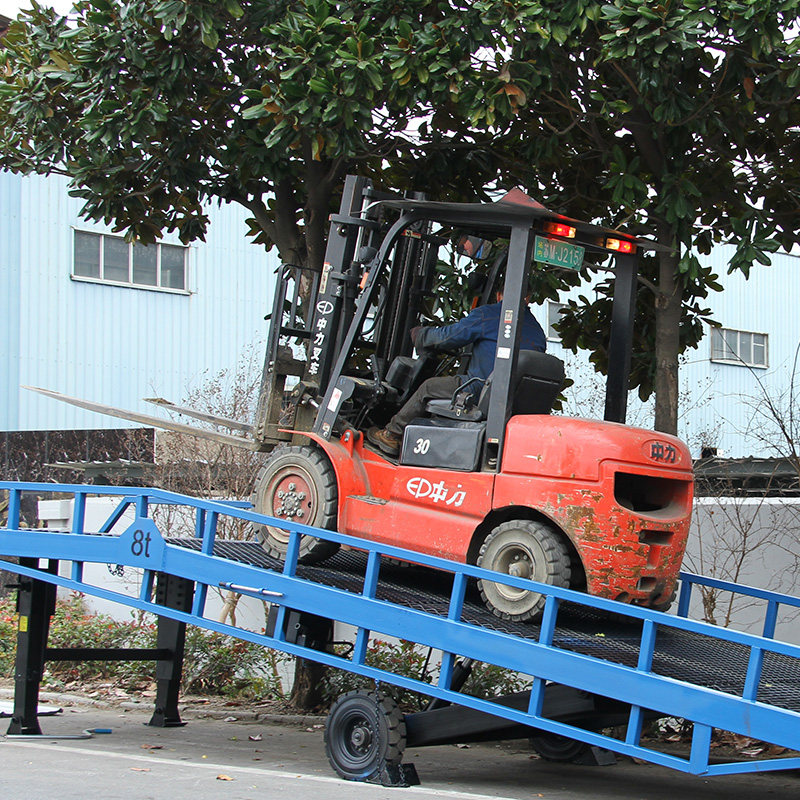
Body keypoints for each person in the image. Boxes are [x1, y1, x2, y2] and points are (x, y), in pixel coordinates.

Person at [367, 293, 547, 456]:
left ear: (499, 295)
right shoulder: (538, 331)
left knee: (429, 387)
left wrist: (421, 335)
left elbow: (448, 337)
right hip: (511, 401)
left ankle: (392, 434)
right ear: (529, 297)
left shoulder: (489, 315)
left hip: (479, 390)